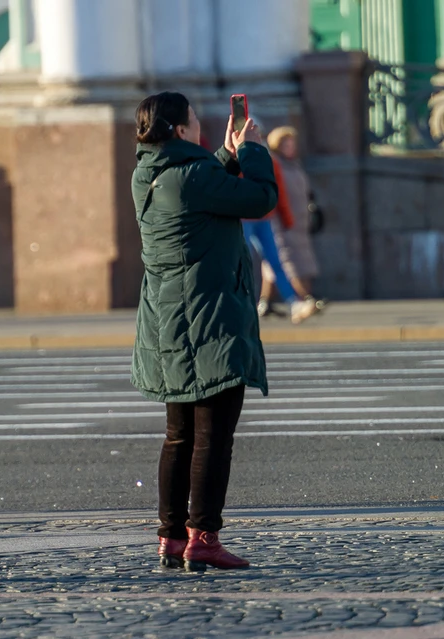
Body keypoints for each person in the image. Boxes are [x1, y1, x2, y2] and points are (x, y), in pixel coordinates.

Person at [131, 91, 276, 571]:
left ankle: (172, 537)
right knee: (213, 436)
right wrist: (251, 151)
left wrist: (225, 155)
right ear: (178, 129)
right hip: (210, 321)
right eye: (193, 120)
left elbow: (198, 181)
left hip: (170, 323)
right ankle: (204, 537)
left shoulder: (149, 174)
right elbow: (260, 198)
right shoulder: (192, 177)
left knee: (179, 435)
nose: (200, 126)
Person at [259, 126, 323, 311]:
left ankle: (265, 302)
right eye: (286, 144)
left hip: (300, 221)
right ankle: (305, 298)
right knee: (288, 261)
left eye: (292, 144)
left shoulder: (294, 164)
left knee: (279, 262)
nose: (290, 147)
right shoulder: (274, 164)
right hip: (282, 221)